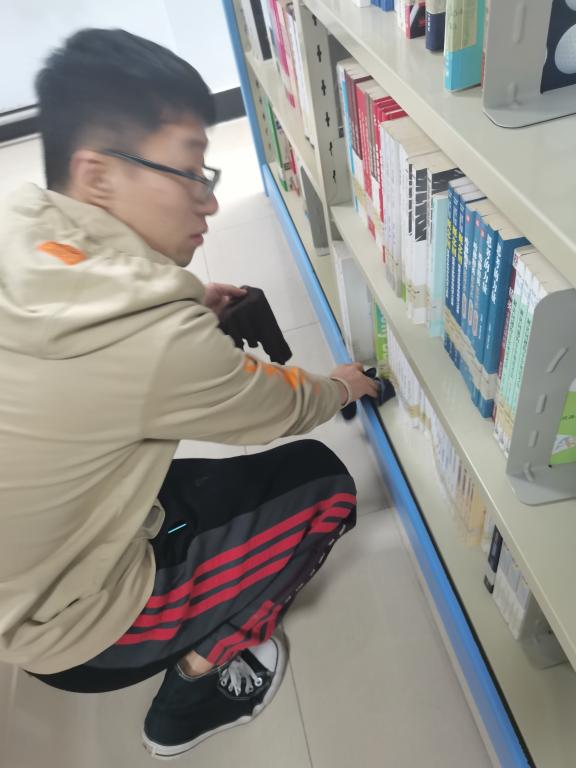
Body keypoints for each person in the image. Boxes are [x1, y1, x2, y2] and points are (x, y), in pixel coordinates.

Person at [0, 28, 379, 759]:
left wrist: (188, 303)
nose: (208, 199)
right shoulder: (153, 338)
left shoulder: (23, 225)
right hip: (75, 634)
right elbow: (282, 408)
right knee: (324, 485)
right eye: (189, 172)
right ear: (97, 175)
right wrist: (342, 384)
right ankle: (192, 694)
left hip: (23, 585)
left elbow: (107, 327)